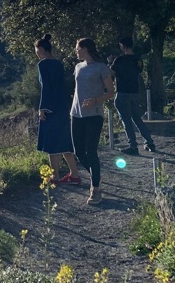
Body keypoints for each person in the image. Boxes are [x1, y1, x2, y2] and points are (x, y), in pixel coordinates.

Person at [71, 37, 114, 204]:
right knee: (78, 151)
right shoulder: (78, 67)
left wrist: (95, 100)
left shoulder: (101, 67)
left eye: (77, 48)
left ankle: (95, 189)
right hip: (76, 114)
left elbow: (111, 92)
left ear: (85, 49)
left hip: (94, 114)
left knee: (91, 150)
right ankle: (96, 176)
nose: (76, 51)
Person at [34, 34, 81, 185]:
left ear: (41, 49)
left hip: (51, 108)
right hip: (62, 106)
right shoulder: (58, 64)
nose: (36, 54)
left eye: (37, 51)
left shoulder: (42, 65)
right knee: (65, 141)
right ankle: (74, 174)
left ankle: (54, 177)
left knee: (51, 144)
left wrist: (43, 108)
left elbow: (46, 87)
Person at [109, 37, 156, 155]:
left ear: (123, 46)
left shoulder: (119, 60)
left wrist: (110, 62)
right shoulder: (138, 59)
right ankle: (149, 142)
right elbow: (138, 71)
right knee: (137, 118)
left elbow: (111, 73)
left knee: (126, 120)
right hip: (135, 92)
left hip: (122, 92)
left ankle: (133, 145)